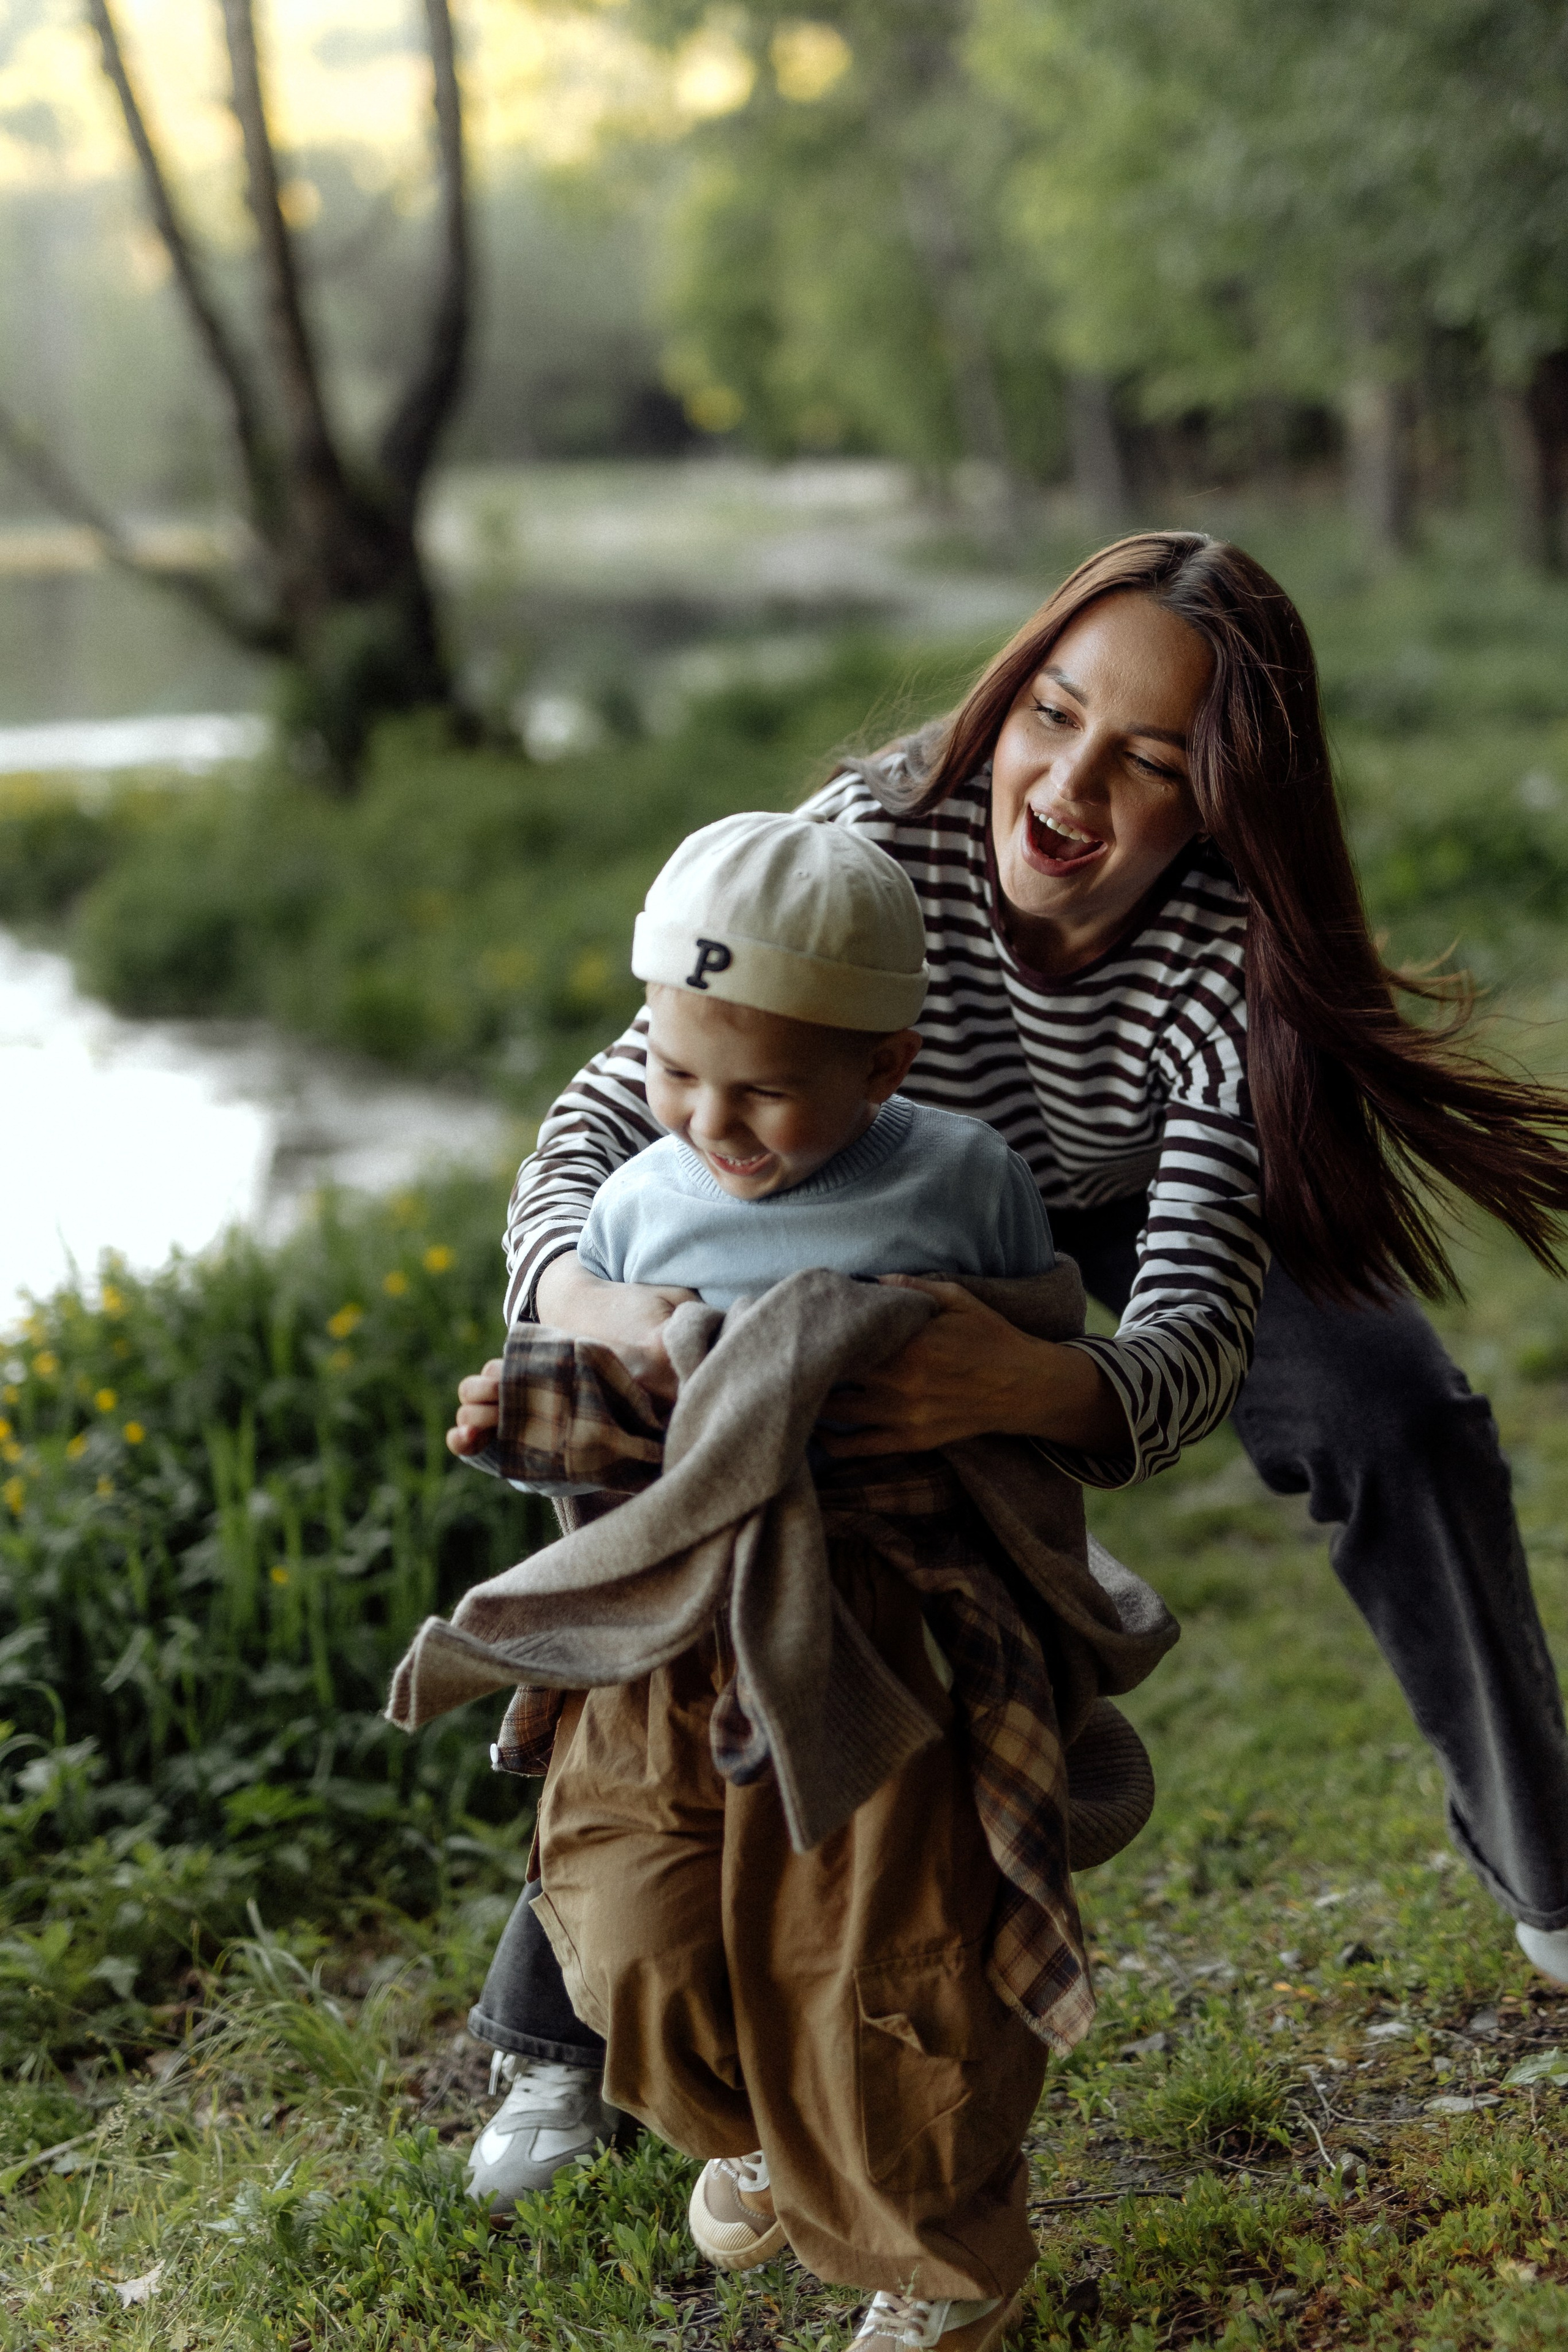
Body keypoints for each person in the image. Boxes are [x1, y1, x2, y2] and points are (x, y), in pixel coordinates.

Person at [450, 531, 1568, 2264]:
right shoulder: (859, 852)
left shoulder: (1228, 964)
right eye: (1054, 714)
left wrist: (1045, 1382)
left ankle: (1552, 1877)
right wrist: (591, 1307)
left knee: (1398, 1414)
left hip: (1109, 1204)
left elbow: (1187, 1334)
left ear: (1221, 797)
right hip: (858, 1184)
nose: (1071, 783)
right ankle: (562, 2030)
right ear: (1007, 700)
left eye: (1150, 759)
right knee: (702, 1464)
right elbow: (601, 1126)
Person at [426, 807, 1170, 2352]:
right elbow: (623, 1424)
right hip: (681, 1630)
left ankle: (946, 2262)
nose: (713, 1121)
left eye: (763, 1089)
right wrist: (534, 1415)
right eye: (678, 1073)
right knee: (634, 1930)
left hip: (879, 1630)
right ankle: (758, 2126)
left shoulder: (965, 1184)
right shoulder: (632, 1205)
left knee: (890, 1958)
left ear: (883, 1069)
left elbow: (1021, 1364)